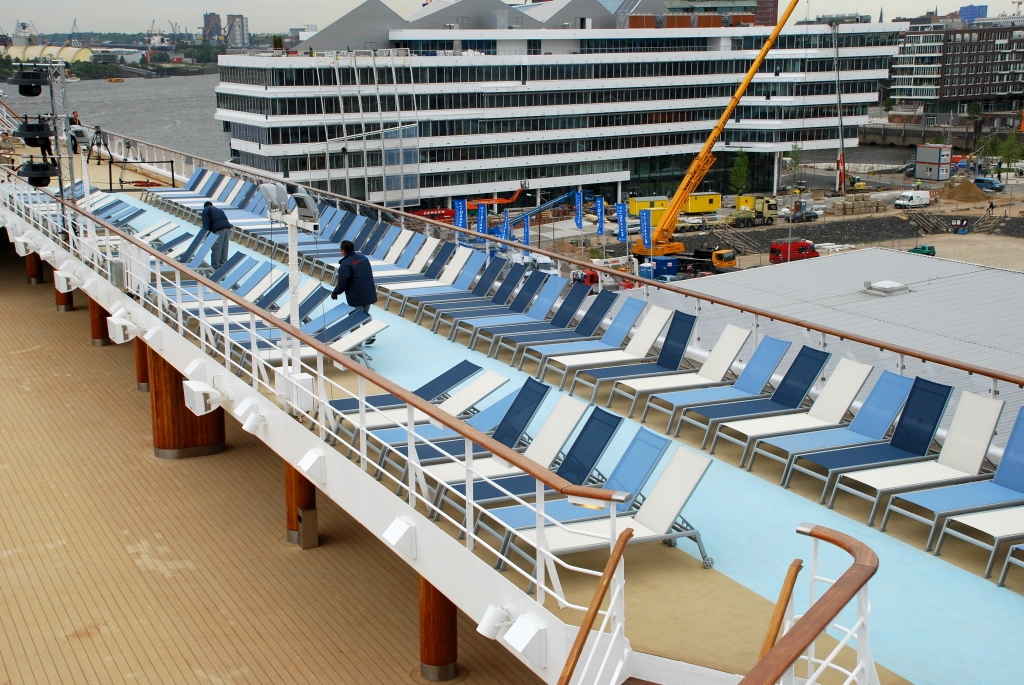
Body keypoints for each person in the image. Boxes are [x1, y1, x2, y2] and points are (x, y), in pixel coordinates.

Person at [330, 240, 378, 343]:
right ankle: (371, 335)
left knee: (354, 317)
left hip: (356, 294)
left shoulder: (346, 264)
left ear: (343, 251)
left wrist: (335, 292)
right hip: (369, 291)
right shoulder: (363, 258)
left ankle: (356, 341)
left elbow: (343, 282)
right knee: (365, 313)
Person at [201, 201, 232, 269]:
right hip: (227, 228)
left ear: (205, 206)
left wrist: (206, 236)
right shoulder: (219, 210)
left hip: (219, 229)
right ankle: (223, 265)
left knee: (217, 246)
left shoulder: (206, 210)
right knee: (224, 247)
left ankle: (215, 267)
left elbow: (206, 224)